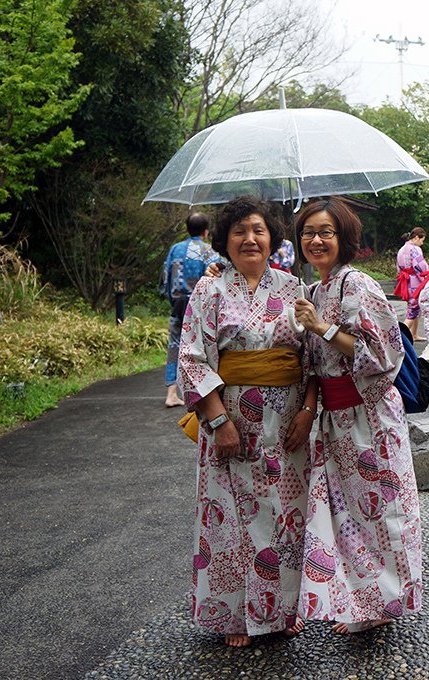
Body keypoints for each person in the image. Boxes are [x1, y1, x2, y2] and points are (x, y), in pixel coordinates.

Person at [177, 196, 314, 647]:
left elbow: (312, 358)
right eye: (239, 231)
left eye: (258, 230)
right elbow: (193, 358)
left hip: (286, 423)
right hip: (231, 420)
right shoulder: (209, 290)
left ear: (272, 237)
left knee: (285, 516)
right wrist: (218, 421)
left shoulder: (295, 289)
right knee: (230, 518)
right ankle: (235, 614)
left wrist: (307, 413)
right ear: (225, 241)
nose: (249, 239)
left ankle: (280, 611)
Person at [291, 197, 423, 635]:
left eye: (325, 232)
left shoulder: (358, 285)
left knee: (380, 508)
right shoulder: (313, 291)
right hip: (335, 418)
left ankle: (383, 602)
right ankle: (361, 597)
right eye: (308, 232)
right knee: (345, 510)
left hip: (370, 416)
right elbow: (309, 362)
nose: (315, 240)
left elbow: (384, 353)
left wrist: (322, 329)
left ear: (343, 238)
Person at [160, 212, 221, 407]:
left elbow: (165, 278)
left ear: (187, 229)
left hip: (178, 303)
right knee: (202, 348)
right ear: (206, 231)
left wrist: (170, 298)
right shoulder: (208, 251)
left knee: (175, 344)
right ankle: (202, 393)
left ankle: (172, 393)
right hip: (199, 306)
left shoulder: (175, 249)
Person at [395, 227, 429, 340]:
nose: (422, 243)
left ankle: (414, 334)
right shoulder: (415, 249)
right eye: (422, 240)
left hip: (405, 280)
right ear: (416, 238)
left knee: (414, 307)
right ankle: (401, 337)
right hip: (414, 280)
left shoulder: (402, 249)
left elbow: (398, 268)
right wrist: (427, 275)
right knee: (413, 309)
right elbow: (421, 266)